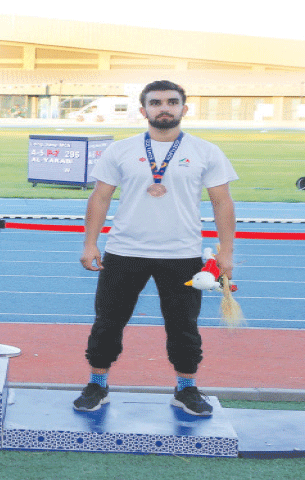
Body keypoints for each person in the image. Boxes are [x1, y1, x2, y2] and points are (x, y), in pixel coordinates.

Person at [75, 80, 238, 416]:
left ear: (184, 108)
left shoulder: (206, 151)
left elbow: (222, 202)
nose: (165, 107)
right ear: (143, 110)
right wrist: (90, 243)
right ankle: (97, 384)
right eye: (156, 102)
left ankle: (186, 388)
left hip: (182, 254)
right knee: (108, 322)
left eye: (172, 102)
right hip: (124, 252)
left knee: (183, 327)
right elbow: (100, 197)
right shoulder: (120, 149)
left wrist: (226, 252)